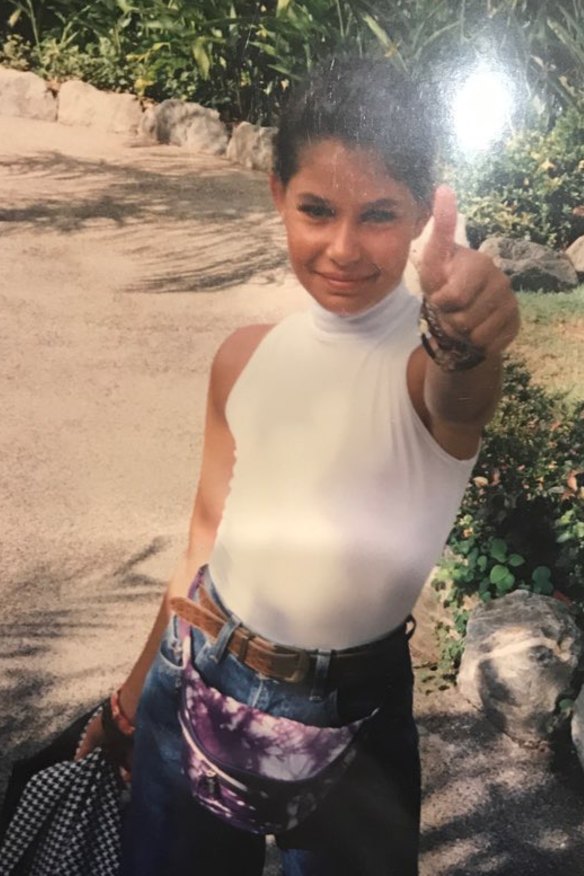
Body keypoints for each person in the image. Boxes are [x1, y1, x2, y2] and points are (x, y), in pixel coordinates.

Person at [77, 57, 520, 875]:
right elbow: (204, 536)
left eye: (380, 214)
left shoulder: (421, 365)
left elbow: (460, 397)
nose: (343, 247)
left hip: (355, 717)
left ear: (424, 210)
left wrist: (468, 331)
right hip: (197, 677)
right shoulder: (243, 358)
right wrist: (135, 694)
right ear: (277, 191)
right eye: (317, 209)